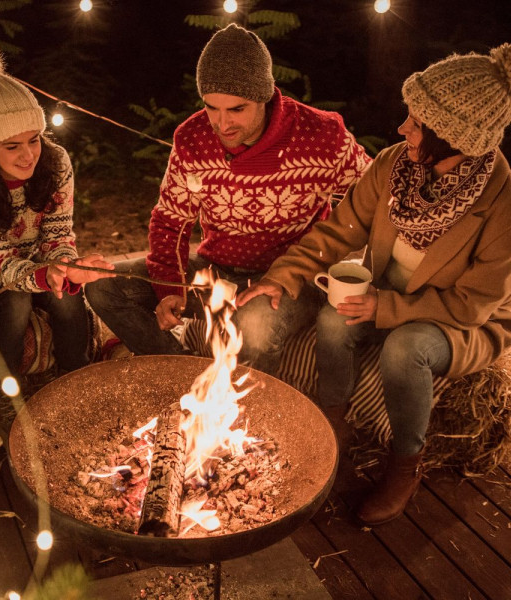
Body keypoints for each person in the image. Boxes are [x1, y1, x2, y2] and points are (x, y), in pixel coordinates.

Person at [239, 44, 511, 525]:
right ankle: (334, 422)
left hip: (462, 317)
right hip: (390, 289)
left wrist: (384, 308)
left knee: (405, 349)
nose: (402, 128)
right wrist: (281, 277)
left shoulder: (501, 201)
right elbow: (336, 232)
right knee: (332, 317)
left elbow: (474, 304)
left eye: (416, 123)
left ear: (453, 138)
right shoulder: (394, 166)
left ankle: (405, 462)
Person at [85, 23, 370, 375]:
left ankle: (248, 409)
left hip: (289, 278)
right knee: (103, 287)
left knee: (254, 327)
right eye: (211, 108)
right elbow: (172, 219)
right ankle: (183, 377)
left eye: (237, 109)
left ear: (265, 95)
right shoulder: (193, 138)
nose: (222, 124)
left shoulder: (320, 135)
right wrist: (169, 287)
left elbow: (372, 195)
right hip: (216, 271)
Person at [0, 35, 113, 380]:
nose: (28, 154)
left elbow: (58, 231)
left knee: (67, 296)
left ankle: (76, 379)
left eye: (33, 140)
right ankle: (5, 391)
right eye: (12, 146)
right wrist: (42, 275)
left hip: (31, 254)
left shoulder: (56, 161)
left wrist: (64, 266)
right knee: (16, 303)